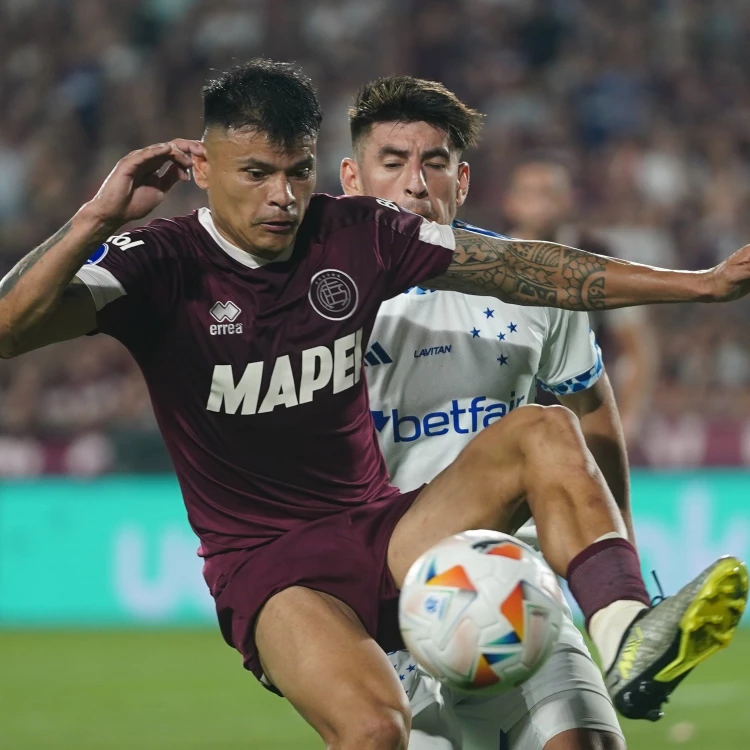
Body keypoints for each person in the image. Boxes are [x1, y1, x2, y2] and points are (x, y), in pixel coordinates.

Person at [0, 60, 748, 750]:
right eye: (257, 173)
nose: (282, 196)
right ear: (200, 165)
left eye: (297, 172)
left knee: (545, 431)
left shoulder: (354, 232)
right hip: (272, 569)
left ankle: (625, 634)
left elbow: (523, 267)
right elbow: (8, 329)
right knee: (374, 731)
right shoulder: (159, 264)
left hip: (384, 530)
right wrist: (96, 219)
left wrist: (700, 285)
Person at [340, 75, 627, 750]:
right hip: (386, 603)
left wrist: (618, 571)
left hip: (515, 582)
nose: (415, 183)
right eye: (392, 162)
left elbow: (593, 414)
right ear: (352, 178)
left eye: (433, 162)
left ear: (461, 180)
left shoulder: (528, 284)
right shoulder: (319, 298)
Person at [502, 156, 659, 444]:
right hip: (508, 423)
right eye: (530, 193)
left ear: (569, 200)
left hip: (581, 422)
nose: (540, 203)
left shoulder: (598, 258)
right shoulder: (490, 260)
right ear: (510, 202)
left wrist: (629, 418)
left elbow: (635, 345)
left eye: (549, 193)